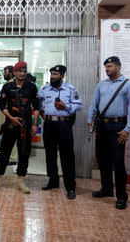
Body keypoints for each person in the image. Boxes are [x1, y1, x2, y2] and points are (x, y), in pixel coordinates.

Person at [88, 56, 130, 210]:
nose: (107, 69)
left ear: (118, 67)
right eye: (106, 67)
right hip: (102, 126)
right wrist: (90, 119)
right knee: (102, 159)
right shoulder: (101, 85)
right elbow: (94, 103)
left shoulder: (128, 85)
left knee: (118, 162)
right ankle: (107, 189)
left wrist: (127, 129)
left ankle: (122, 197)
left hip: (118, 127)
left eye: (109, 66)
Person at [0, 61, 40, 194]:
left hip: (26, 126)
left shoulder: (32, 87)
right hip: (10, 125)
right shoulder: (7, 86)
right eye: (20, 71)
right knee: (4, 152)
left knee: (24, 153)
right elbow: (2, 105)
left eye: (24, 71)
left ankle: (20, 180)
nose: (22, 73)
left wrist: (35, 124)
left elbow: (36, 106)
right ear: (15, 72)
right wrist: (11, 118)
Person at [38, 65, 82, 200]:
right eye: (51, 74)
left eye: (55, 74)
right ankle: (53, 181)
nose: (52, 76)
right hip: (49, 124)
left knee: (67, 156)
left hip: (64, 124)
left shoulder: (70, 89)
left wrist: (65, 106)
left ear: (62, 76)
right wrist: (40, 111)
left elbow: (79, 105)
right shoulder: (45, 89)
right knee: (50, 154)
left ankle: (70, 187)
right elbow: (37, 99)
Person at [0, 65, 17, 165]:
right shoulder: (7, 84)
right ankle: (4, 155)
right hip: (5, 112)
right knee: (5, 135)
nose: (4, 74)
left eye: (5, 72)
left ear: (11, 73)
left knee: (11, 135)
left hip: (10, 114)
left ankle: (13, 158)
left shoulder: (13, 84)